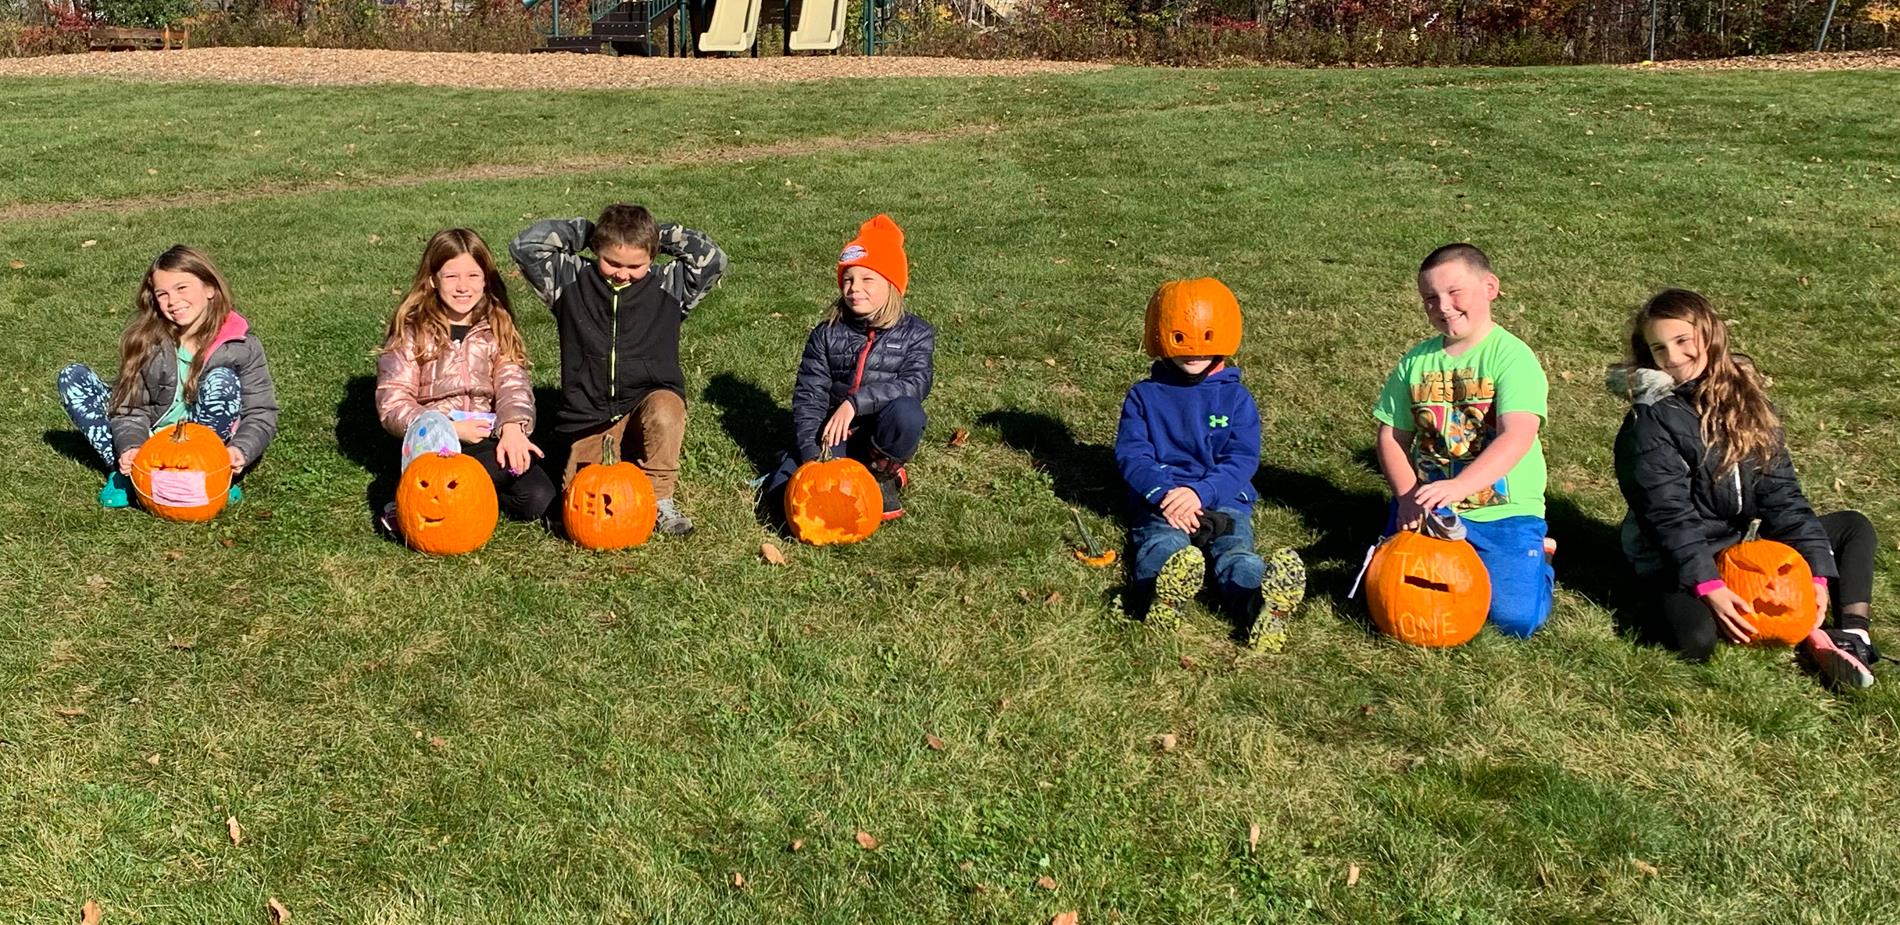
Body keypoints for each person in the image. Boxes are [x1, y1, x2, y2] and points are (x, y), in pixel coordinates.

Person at [1610, 288, 1880, 688]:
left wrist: (1817, 577)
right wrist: (1709, 586)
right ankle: (1799, 631)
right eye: (1659, 349)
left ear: (1709, 335)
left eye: (1683, 341)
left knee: (1853, 528)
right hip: (1671, 559)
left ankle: (1851, 633)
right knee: (1695, 642)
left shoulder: (1748, 404)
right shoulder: (1650, 420)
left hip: (1736, 548)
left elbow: (1783, 496)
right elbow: (1668, 516)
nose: (1674, 358)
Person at [1372, 243, 1554, 638]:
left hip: (1503, 512)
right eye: (1430, 298)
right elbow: (1390, 436)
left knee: (1514, 621)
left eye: (1455, 292)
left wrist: (1458, 486)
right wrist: (1407, 496)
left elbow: (1517, 435)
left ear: (1490, 287)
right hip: (1428, 509)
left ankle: (1540, 557)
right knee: (1391, 600)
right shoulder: (1415, 362)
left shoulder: (1512, 357)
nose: (1443, 306)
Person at [512, 203, 726, 536]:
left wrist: (657, 235)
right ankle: (614, 461)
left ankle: (659, 500)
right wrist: (590, 231)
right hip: (589, 413)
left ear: (651, 258)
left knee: (666, 410)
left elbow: (713, 258)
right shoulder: (570, 280)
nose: (622, 273)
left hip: (647, 399)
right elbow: (526, 246)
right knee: (583, 504)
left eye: (635, 265)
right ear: (597, 250)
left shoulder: (670, 285)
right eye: (612, 261)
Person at [1115, 277, 1304, 651]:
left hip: (1223, 498)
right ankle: (1160, 595)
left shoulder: (1235, 398)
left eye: (1208, 334)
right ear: (1160, 334)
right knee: (1162, 542)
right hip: (1165, 503)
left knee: (1235, 550)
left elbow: (1241, 459)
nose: (1194, 348)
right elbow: (1133, 456)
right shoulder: (1144, 396)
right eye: (1181, 336)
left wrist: (1201, 492)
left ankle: (1258, 602)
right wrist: (1168, 494)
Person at [58, 245, 278, 508]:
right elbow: (129, 409)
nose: (173, 301)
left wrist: (241, 449)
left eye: (182, 288)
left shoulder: (242, 344)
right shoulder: (147, 341)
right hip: (152, 444)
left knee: (222, 380)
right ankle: (131, 476)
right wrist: (131, 447)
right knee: (73, 378)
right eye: (163, 294)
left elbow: (261, 411)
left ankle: (212, 478)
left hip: (202, 445)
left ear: (209, 288)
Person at [376, 228, 555, 532]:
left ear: (486, 280)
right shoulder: (412, 329)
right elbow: (393, 402)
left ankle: (466, 497)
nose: (462, 287)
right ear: (433, 279)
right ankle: (408, 503)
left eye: (473, 276)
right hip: (434, 443)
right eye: (451, 277)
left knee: (538, 499)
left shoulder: (496, 326)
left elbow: (514, 386)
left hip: (486, 437)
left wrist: (513, 427)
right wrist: (447, 427)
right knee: (469, 471)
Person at [759, 214, 933, 522]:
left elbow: (916, 383)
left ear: (892, 285)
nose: (855, 288)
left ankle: (882, 475)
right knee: (783, 500)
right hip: (831, 432)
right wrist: (814, 458)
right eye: (848, 279)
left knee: (907, 412)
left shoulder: (916, 333)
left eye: (868, 280)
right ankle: (818, 465)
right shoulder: (827, 332)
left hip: (876, 433)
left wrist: (855, 403)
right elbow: (809, 397)